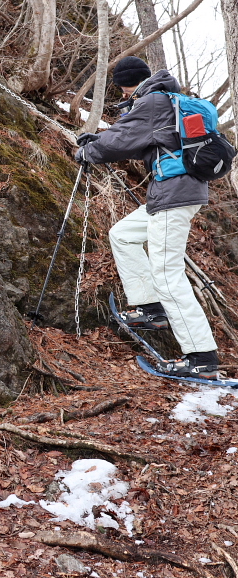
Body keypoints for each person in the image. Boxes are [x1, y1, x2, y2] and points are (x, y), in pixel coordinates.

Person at [74, 56, 219, 380]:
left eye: (121, 90)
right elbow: (130, 136)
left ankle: (201, 358)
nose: (124, 96)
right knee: (123, 234)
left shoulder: (152, 101)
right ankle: (150, 308)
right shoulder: (166, 101)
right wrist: (98, 141)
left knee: (168, 275)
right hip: (172, 194)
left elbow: (121, 140)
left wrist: (89, 150)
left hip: (173, 194)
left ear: (125, 84)